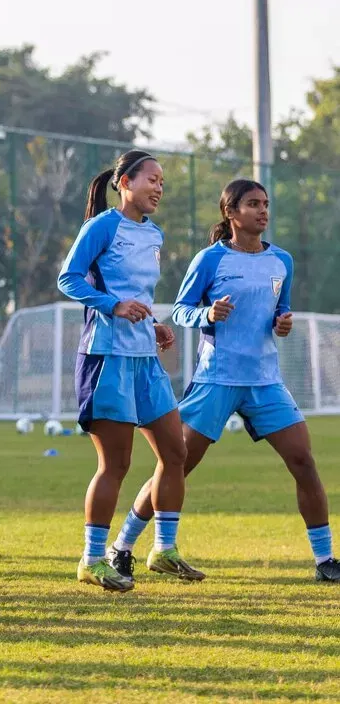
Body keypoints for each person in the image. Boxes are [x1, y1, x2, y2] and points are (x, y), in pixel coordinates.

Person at [116, 179, 339, 582]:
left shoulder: (282, 261)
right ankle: (123, 547)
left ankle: (325, 561)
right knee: (176, 467)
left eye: (266, 204)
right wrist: (207, 314)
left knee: (304, 462)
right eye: (253, 204)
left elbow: (280, 311)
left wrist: (281, 323)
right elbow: (181, 310)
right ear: (231, 213)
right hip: (216, 379)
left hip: (265, 380)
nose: (263, 211)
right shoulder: (209, 260)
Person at [58, 149, 194, 592]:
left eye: (162, 182)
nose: (158, 188)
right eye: (151, 179)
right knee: (115, 463)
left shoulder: (154, 235)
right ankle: (92, 559)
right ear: (125, 183)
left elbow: (135, 293)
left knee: (176, 454)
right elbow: (69, 279)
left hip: (145, 360)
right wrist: (113, 306)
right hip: (106, 357)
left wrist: (153, 323)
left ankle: (164, 550)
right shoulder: (100, 227)